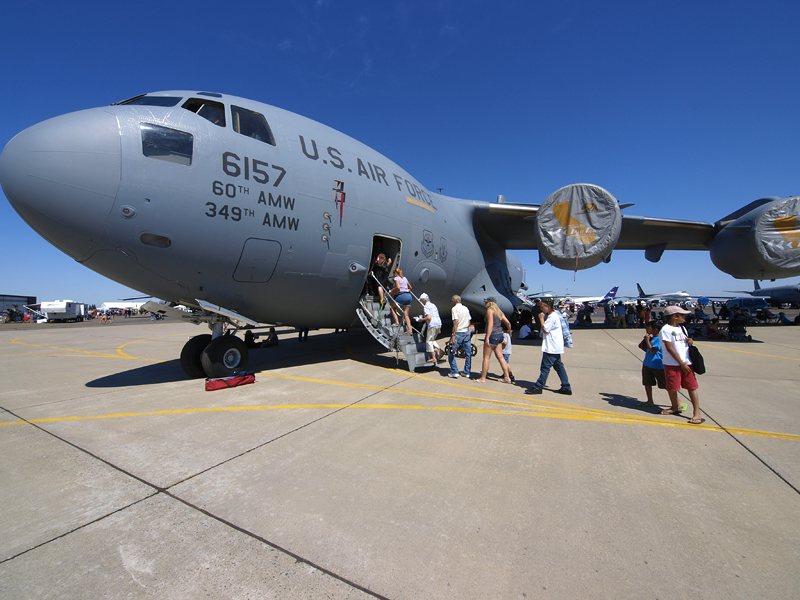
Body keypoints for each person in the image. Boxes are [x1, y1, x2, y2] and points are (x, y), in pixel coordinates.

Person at [659, 305, 704, 424]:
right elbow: (670, 348)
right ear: (675, 316)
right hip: (673, 363)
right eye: (682, 315)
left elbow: (684, 342)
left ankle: (696, 412)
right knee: (672, 387)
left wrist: (690, 341)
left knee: (692, 387)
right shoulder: (665, 330)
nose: (685, 317)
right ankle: (674, 406)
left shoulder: (682, 328)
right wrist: (681, 363)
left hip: (687, 362)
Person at [525, 298, 571, 395]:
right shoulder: (555, 315)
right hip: (555, 346)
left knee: (545, 368)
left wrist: (541, 319)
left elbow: (545, 329)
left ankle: (538, 386)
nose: (541, 309)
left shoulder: (552, 317)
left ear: (548, 306)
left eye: (542, 307)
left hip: (551, 347)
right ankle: (566, 386)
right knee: (559, 367)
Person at [476, 297, 512, 383]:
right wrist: (509, 332)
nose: (485, 303)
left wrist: (487, 337)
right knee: (500, 357)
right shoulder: (499, 311)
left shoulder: (490, 311)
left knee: (486, 358)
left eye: (486, 302)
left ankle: (483, 378)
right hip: (499, 335)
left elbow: (490, 325)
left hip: (492, 335)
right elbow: (508, 322)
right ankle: (507, 377)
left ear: (490, 303)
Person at [638, 321, 667, 407]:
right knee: (647, 383)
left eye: (648, 327)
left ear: (655, 330)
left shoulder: (659, 339)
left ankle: (677, 401)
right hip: (648, 363)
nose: (646, 329)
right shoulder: (653, 338)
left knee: (664, 385)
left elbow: (653, 350)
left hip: (657, 365)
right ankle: (650, 400)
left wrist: (647, 341)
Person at [448, 295, 472, 378]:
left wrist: (453, 335)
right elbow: (469, 322)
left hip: (458, 333)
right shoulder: (466, 308)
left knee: (451, 352)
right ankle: (467, 371)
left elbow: (456, 322)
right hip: (466, 332)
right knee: (468, 353)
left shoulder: (454, 309)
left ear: (454, 301)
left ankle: (454, 371)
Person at [416, 293, 443, 363]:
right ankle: (440, 350)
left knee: (428, 341)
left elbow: (429, 317)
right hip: (438, 323)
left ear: (423, 300)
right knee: (432, 339)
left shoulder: (426, 307)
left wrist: (421, 319)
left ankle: (434, 358)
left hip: (432, 324)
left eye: (421, 301)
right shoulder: (433, 305)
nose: (421, 302)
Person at [389, 267, 413, 335]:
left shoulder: (396, 278)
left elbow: (398, 287)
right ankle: (409, 329)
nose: (394, 275)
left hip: (402, 295)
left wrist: (391, 291)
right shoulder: (405, 278)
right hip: (409, 296)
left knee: (393, 308)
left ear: (396, 273)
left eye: (394, 274)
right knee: (406, 314)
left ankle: (396, 322)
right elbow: (410, 287)